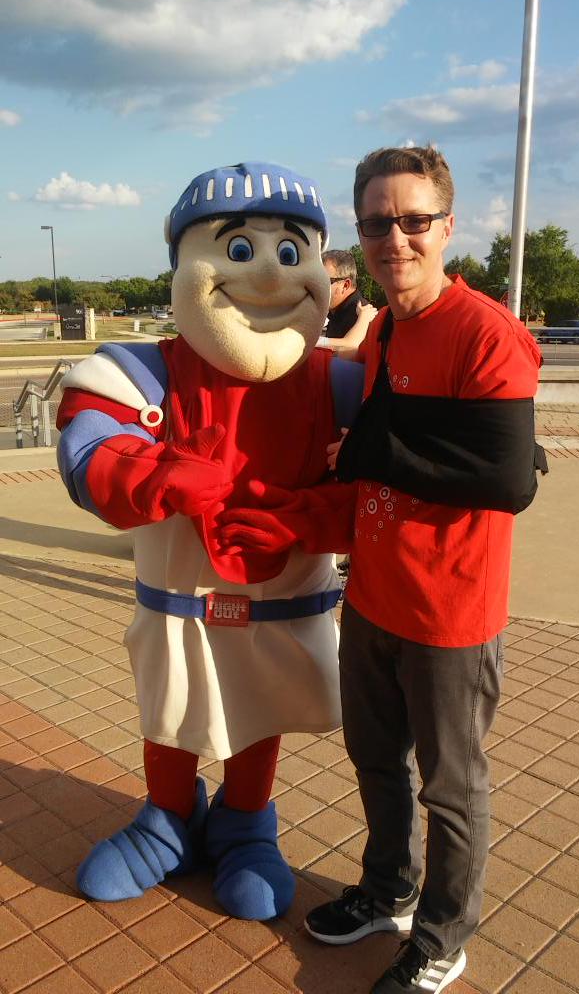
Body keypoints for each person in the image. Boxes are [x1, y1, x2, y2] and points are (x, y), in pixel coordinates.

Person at [56, 161, 357, 922]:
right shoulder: (144, 370)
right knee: (174, 701)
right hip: (178, 601)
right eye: (237, 248)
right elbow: (88, 455)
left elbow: (397, 490)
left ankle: (247, 820)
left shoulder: (341, 383)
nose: (265, 271)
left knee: (261, 701)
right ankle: (166, 816)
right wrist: (160, 474)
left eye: (289, 252)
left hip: (281, 604)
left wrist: (309, 518)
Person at [303, 146, 545, 993]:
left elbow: (506, 481)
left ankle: (441, 941)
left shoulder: (484, 331)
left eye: (411, 220)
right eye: (376, 222)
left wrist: (374, 449)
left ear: (446, 226)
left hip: (450, 610)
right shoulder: (387, 328)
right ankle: (387, 891)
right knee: (374, 762)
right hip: (371, 592)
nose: (393, 237)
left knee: (450, 788)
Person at [320, 248, 379, 351]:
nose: (317, 288)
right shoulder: (335, 312)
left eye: (324, 281)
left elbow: (350, 347)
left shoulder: (363, 316)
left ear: (346, 285)